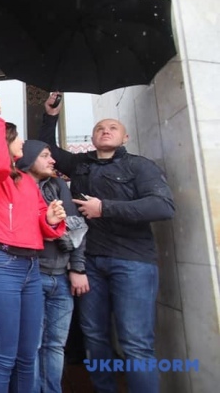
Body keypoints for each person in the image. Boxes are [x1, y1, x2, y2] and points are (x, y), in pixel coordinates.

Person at [39, 93, 175, 393]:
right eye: (100, 128)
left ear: (125, 137)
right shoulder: (80, 164)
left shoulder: (140, 166)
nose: (105, 130)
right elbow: (45, 150)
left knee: (135, 342)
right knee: (94, 335)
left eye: (113, 127)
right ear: (92, 138)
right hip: (89, 265)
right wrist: (50, 116)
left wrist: (105, 208)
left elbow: (163, 206)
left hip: (133, 262)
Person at [0, 95, 67, 393]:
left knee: (27, 356)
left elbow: (41, 222)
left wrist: (50, 219)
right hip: (1, 266)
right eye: (18, 138)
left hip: (31, 269)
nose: (23, 143)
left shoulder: (26, 181)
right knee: (4, 357)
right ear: (5, 140)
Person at [15, 140, 90, 393]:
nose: (53, 160)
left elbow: (77, 229)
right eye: (45, 155)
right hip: (30, 275)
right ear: (29, 159)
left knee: (55, 345)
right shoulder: (14, 185)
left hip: (61, 278)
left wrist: (77, 268)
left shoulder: (57, 186)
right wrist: (47, 225)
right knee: (31, 344)